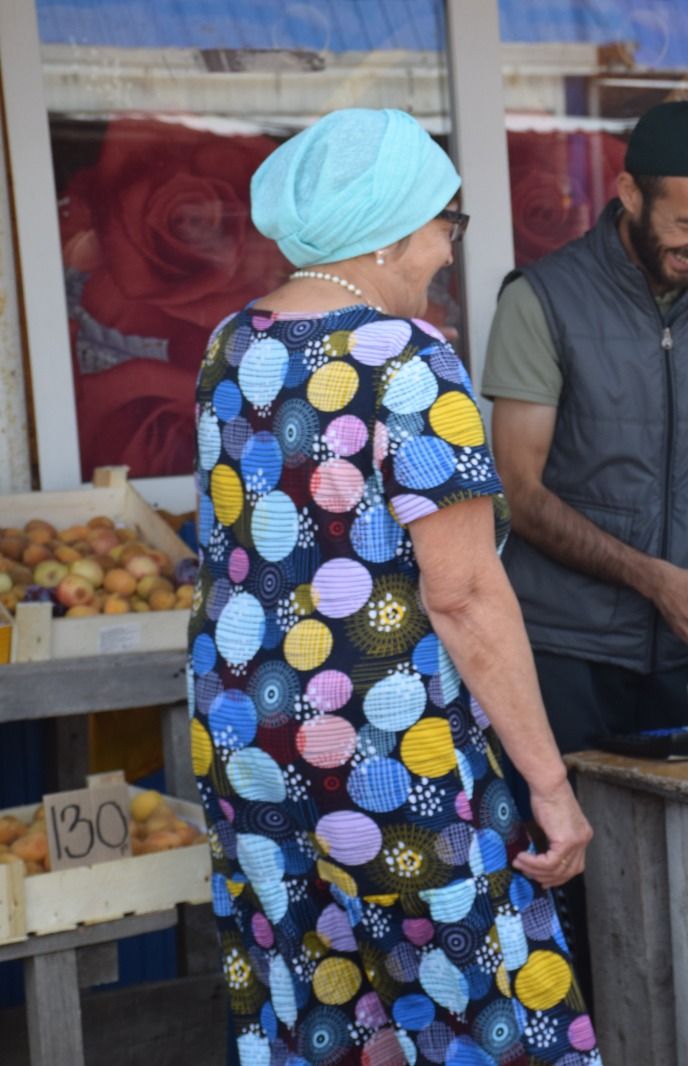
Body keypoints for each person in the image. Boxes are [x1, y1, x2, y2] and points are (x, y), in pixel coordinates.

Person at [191, 108, 599, 1064]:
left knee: (314, 1008)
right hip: (386, 746)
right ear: (389, 228)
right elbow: (462, 596)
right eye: (445, 221)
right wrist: (551, 784)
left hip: (246, 736)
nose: (450, 248)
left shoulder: (229, 345)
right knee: (484, 1010)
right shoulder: (407, 358)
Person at [481, 100, 688, 754]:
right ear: (629, 193)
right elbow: (520, 489)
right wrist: (655, 580)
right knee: (583, 847)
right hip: (568, 647)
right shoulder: (541, 299)